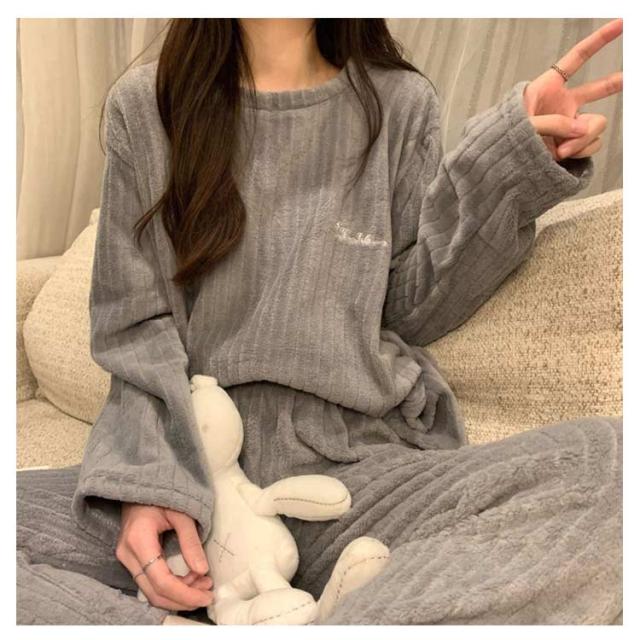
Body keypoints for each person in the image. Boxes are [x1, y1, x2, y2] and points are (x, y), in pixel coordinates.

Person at [17, 17, 623, 625]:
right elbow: (133, 322)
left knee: (611, 462)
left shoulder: (400, 102)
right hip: (193, 463)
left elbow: (411, 306)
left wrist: (506, 170)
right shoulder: (149, 104)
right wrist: (146, 479)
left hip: (353, 472)